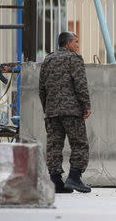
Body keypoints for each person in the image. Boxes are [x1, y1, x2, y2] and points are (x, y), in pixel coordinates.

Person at [39, 31, 92, 194]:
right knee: (79, 143)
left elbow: (41, 88)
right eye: (76, 42)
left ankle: (55, 180)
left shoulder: (47, 60)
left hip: (52, 111)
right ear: (68, 44)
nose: (78, 45)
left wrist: (47, 107)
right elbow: (80, 84)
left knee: (54, 145)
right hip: (71, 110)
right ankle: (74, 176)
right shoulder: (74, 58)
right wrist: (86, 105)